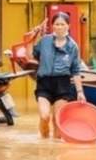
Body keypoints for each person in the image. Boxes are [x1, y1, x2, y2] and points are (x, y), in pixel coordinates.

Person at [29, 12, 84, 140]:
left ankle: (55, 150)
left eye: (62, 24)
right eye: (56, 24)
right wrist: (32, 37)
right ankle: (44, 143)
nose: (59, 27)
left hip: (62, 84)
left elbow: (75, 70)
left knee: (57, 120)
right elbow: (30, 56)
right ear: (52, 26)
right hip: (44, 83)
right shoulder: (44, 41)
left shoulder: (72, 46)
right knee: (44, 117)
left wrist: (80, 91)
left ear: (68, 26)